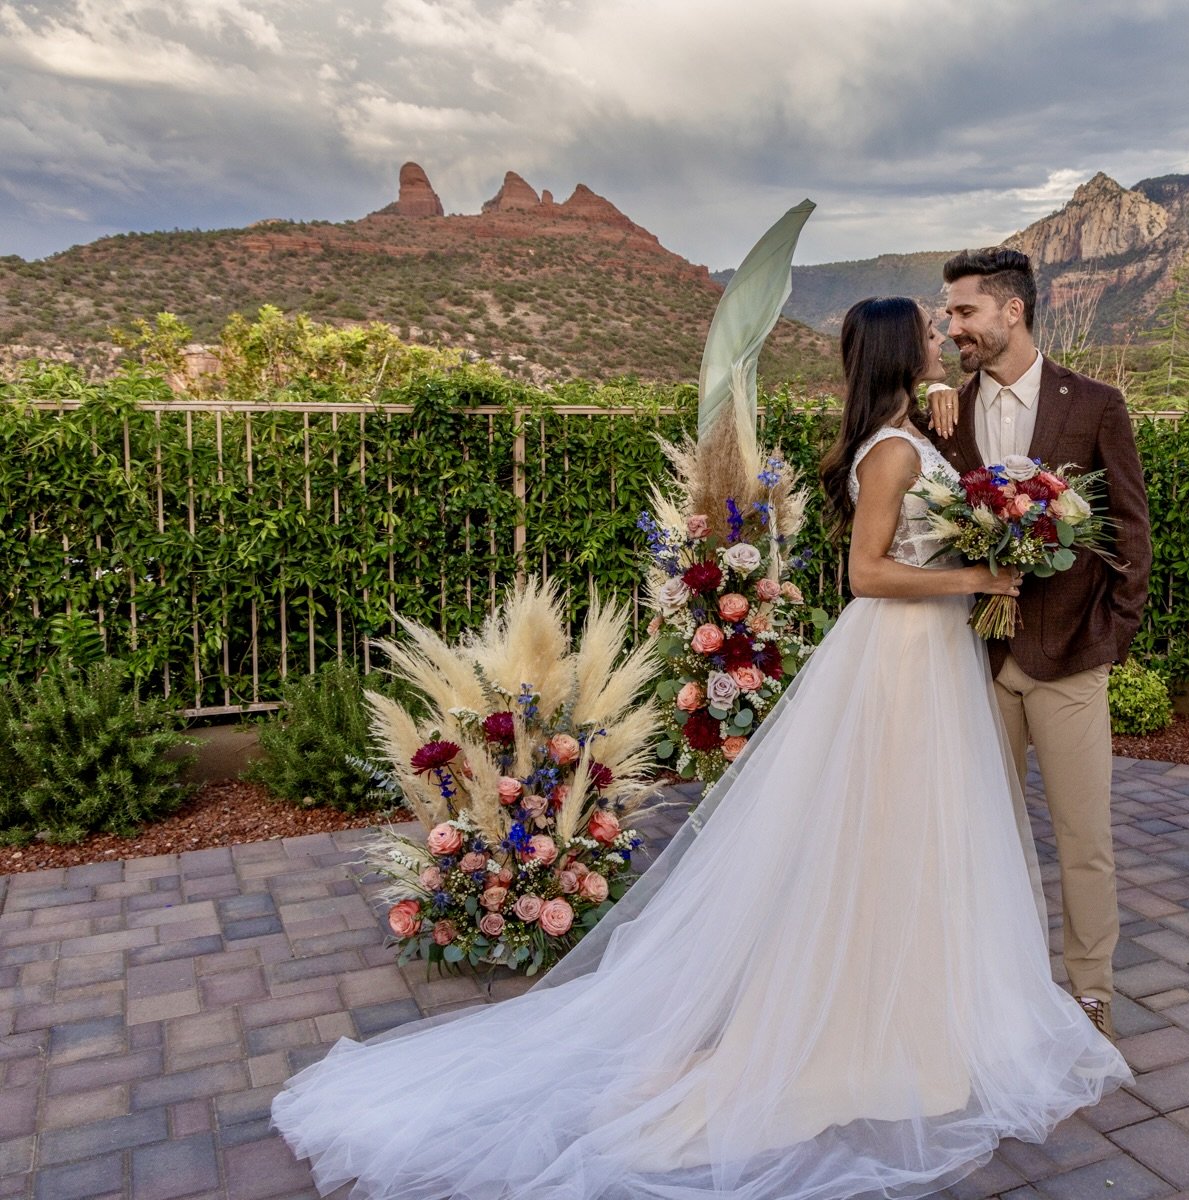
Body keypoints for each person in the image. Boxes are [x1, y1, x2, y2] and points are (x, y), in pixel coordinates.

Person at [269, 296, 1130, 1200]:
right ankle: (877, 1021)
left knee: (917, 837)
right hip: (903, 660)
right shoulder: (891, 452)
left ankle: (921, 1006)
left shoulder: (908, 435)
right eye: (925, 331)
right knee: (890, 834)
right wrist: (982, 573)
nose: (939, 338)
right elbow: (866, 573)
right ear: (894, 350)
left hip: (931, 657)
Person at [926, 248, 1153, 1038]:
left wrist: (1110, 634)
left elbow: (1129, 528)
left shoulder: (1093, 404)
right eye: (948, 314)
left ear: (1009, 311)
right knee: (984, 837)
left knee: (1083, 841)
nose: (950, 326)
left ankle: (1091, 993)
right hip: (976, 663)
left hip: (1069, 661)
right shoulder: (943, 413)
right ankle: (997, 988)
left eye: (962, 312)